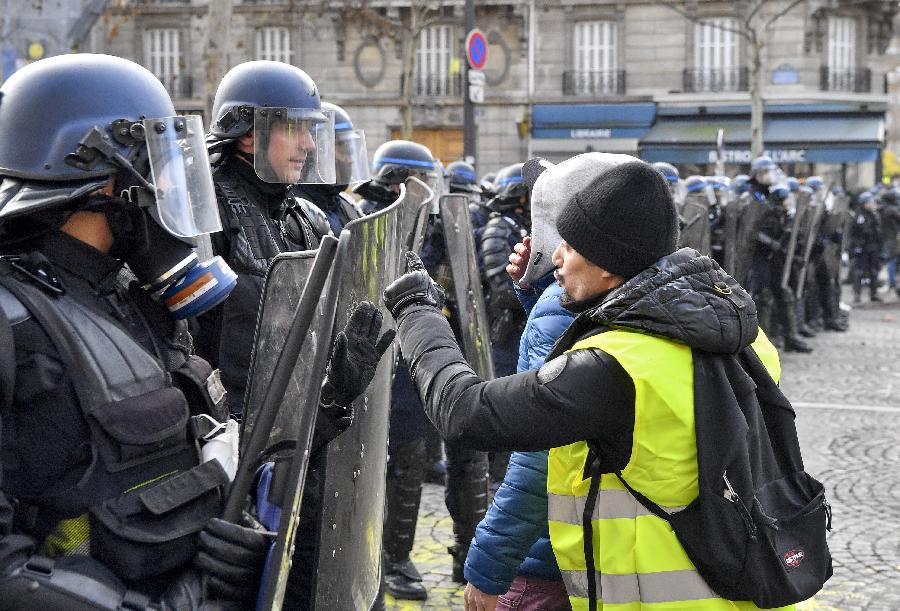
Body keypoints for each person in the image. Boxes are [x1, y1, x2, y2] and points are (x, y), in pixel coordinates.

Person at [383, 155, 795, 611]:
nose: (555, 256)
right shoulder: (734, 331)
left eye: (571, 245)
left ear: (608, 266)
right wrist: (544, 301)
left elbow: (466, 413)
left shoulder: (616, 365)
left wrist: (418, 312)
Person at [0, 53, 268, 610]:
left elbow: (188, 451)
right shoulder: (11, 319)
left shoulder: (129, 297)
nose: (173, 186)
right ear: (108, 184)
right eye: (160, 165)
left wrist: (233, 543)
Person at [201, 60, 392, 610]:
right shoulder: (206, 213)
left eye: (312, 130)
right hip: (234, 459)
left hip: (305, 442)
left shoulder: (306, 217)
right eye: (295, 127)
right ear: (248, 133)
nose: (309, 143)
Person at [745, 158, 812, 353]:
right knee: (763, 296)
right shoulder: (751, 196)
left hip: (775, 255)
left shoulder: (770, 195)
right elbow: (750, 228)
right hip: (758, 255)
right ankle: (763, 343)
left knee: (783, 293)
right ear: (757, 174)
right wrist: (770, 242)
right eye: (765, 172)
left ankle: (790, 336)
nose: (769, 176)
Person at [292, 101, 367, 234]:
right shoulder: (294, 209)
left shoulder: (346, 205)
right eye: (343, 149)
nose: (349, 160)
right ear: (314, 154)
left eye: (350, 151)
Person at [848, 191, 883, 303]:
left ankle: (874, 294)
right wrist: (855, 247)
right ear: (865, 203)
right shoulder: (858, 216)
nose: (873, 204)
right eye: (870, 202)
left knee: (874, 271)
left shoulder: (875, 215)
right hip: (862, 247)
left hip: (874, 246)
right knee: (859, 271)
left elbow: (879, 232)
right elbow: (854, 233)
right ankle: (857, 294)